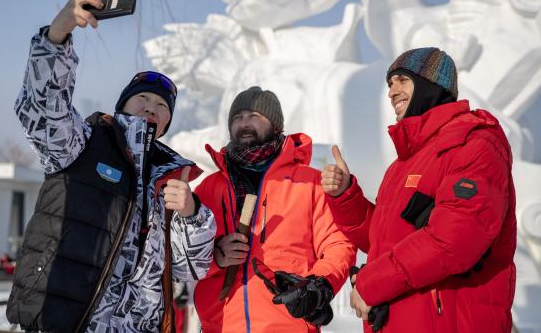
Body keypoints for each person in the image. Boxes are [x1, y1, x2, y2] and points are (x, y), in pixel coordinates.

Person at [6, 0, 216, 333]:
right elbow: (44, 113)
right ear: (122, 105)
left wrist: (192, 216)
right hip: (68, 320)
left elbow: (187, 268)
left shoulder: (172, 178)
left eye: (162, 105)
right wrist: (58, 36)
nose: (152, 106)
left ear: (166, 122)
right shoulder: (83, 145)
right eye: (143, 98)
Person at [322, 47, 516, 332]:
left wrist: (372, 283)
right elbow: (384, 240)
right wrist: (345, 195)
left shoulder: (473, 143)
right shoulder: (404, 164)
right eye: (390, 83)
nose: (391, 92)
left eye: (402, 80)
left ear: (431, 84)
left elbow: (455, 240)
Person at [194, 86, 355, 332]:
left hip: (289, 324)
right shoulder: (209, 188)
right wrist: (215, 256)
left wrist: (317, 286)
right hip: (222, 324)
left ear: (277, 126)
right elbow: (184, 253)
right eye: (237, 118)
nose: (244, 123)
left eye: (254, 116)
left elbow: (338, 244)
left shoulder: (310, 182)